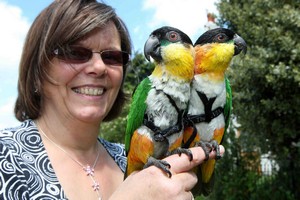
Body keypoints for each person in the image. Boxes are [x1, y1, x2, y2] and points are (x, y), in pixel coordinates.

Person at [0, 0, 224, 199]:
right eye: (75, 53)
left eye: (112, 57)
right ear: (38, 70)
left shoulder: (127, 157)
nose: (98, 67)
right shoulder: (5, 156)